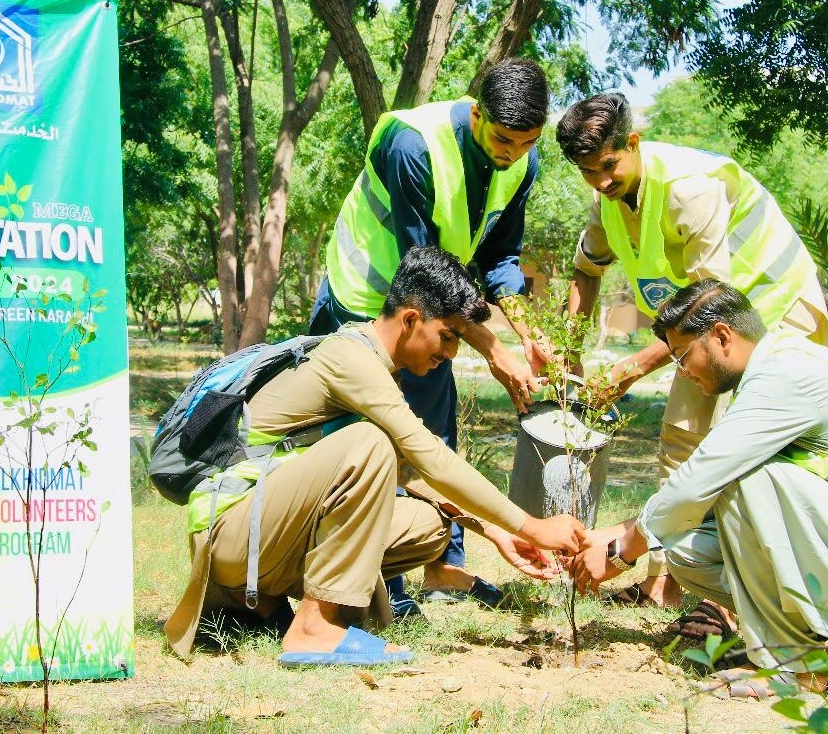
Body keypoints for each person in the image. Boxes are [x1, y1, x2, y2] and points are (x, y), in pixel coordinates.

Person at [166, 246, 585, 666]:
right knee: (369, 443)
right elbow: (429, 457)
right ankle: (313, 628)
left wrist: (497, 531)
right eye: (448, 336)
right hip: (230, 530)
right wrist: (531, 525)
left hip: (262, 531)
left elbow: (409, 472)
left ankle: (267, 604)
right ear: (410, 319)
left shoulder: (376, 365)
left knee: (428, 525)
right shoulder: (350, 358)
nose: (451, 353)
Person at [570, 280, 828, 699]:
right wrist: (617, 533)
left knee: (745, 476)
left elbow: (703, 478)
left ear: (722, 336)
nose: (682, 372)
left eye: (683, 357)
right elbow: (696, 499)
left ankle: (792, 665)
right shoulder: (771, 368)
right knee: (684, 549)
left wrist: (621, 553)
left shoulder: (785, 375)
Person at [555, 92, 828, 621]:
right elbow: (586, 271)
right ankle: (667, 581)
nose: (601, 182)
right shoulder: (606, 201)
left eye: (608, 166)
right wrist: (569, 354)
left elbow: (708, 311)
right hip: (708, 323)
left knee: (743, 450)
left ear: (632, 143)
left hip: (775, 309)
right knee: (682, 438)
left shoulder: (689, 188)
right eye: (588, 172)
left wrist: (633, 367)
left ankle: (740, 597)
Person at [311, 58, 551, 611]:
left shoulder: (523, 161)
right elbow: (420, 268)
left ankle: (443, 566)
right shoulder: (412, 145)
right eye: (504, 139)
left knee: (434, 436)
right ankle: (377, 579)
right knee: (367, 442)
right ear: (477, 113)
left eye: (527, 142)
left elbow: (501, 256)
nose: (513, 153)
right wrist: (492, 348)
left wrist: (527, 331)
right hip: (364, 302)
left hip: (435, 307)